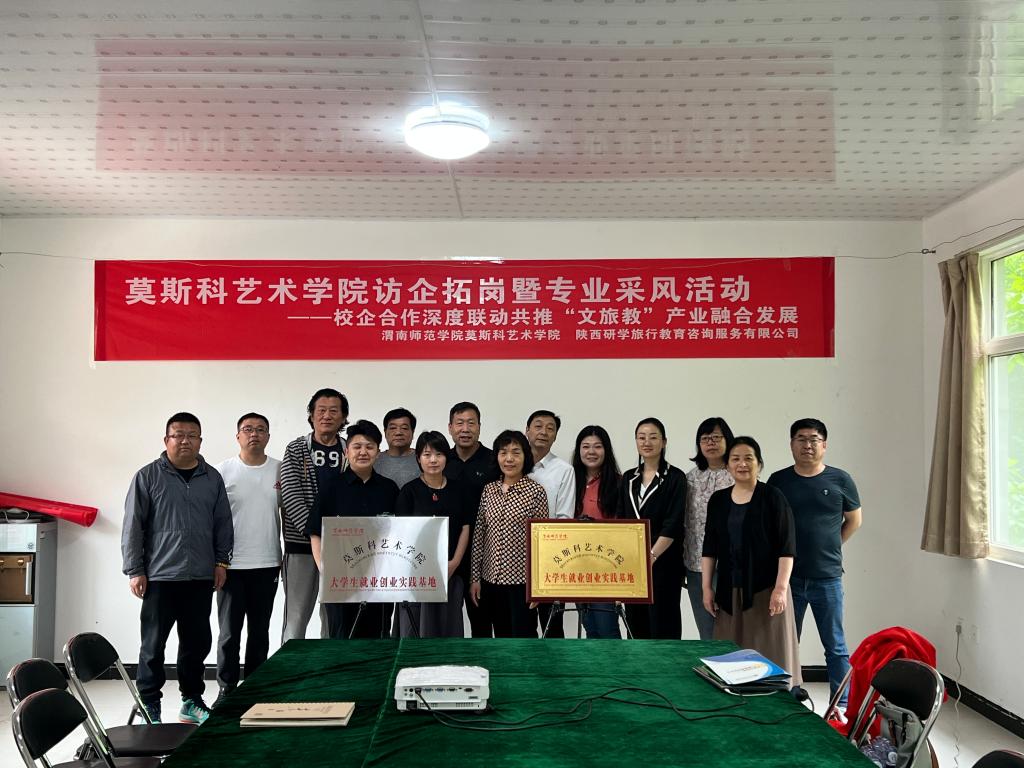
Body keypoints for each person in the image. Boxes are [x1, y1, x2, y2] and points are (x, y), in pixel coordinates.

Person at [121, 412, 232, 725]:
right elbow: (133, 526)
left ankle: (191, 701)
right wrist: (135, 569)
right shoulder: (148, 476)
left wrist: (221, 561)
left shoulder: (212, 478)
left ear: (200, 441)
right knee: (153, 645)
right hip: (160, 576)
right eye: (178, 435)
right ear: (166, 440)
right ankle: (149, 704)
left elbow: (223, 522)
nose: (185, 441)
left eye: (192, 435)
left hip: (200, 575)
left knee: (196, 642)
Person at [768, 418, 862, 710]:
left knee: (835, 645)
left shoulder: (840, 479)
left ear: (824, 445)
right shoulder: (779, 481)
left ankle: (840, 705)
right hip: (788, 580)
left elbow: (854, 520)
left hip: (827, 577)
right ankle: (787, 697)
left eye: (814, 439)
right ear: (791, 444)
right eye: (801, 439)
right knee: (786, 643)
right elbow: (769, 525)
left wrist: (831, 546)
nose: (807, 445)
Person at [702, 436, 801, 686]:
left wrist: (780, 589)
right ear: (727, 465)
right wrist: (706, 588)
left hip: (766, 589)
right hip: (728, 591)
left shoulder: (773, 497)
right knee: (730, 655)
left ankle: (776, 697)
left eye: (748, 458)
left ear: (759, 463)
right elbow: (709, 548)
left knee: (769, 651)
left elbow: (787, 548)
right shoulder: (718, 500)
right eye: (735, 459)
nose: (742, 464)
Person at [306, 419, 399, 639]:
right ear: (346, 452)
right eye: (357, 447)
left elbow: (398, 533)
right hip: (341, 581)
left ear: (378, 453)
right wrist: (325, 569)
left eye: (369, 447)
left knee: (378, 638)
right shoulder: (332, 488)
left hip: (380, 582)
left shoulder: (389, 489)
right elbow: (315, 532)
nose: (363, 452)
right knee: (342, 639)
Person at [212, 413, 281, 708]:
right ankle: (226, 688)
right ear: (238, 435)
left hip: (268, 562)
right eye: (248, 429)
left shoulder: (280, 470)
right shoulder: (222, 471)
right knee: (229, 632)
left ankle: (255, 686)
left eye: (261, 429)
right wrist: (217, 560)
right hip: (231, 565)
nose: (254, 434)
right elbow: (212, 519)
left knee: (260, 631)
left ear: (268, 436)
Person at [280, 387, 348, 642]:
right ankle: (289, 664)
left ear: (343, 417)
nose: (327, 416)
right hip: (300, 545)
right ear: (311, 414)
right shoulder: (296, 449)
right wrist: (314, 535)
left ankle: (328, 663)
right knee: (296, 616)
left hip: (341, 548)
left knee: (333, 616)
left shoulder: (349, 449)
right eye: (321, 410)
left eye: (334, 411)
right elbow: (291, 495)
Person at [468, 430, 549, 638]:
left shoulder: (536, 492)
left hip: (522, 583)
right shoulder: (489, 490)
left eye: (516, 452)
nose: (509, 459)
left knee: (524, 638)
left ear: (525, 457)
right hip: (490, 581)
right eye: (503, 452)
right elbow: (479, 536)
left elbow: (542, 543)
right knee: (500, 638)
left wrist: (538, 587)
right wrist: (475, 578)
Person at [394, 431, 471, 637]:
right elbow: (401, 534)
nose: (433, 460)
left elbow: (465, 527)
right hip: (416, 574)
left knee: (448, 627)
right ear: (418, 458)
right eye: (427, 455)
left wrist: (454, 563)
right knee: (415, 628)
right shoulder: (409, 491)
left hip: (450, 572)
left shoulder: (458, 490)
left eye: (439, 454)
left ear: (447, 457)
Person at [618, 417, 686, 640]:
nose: (647, 442)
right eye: (641, 437)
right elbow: (621, 520)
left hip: (664, 561)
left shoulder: (675, 477)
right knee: (635, 624)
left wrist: (652, 556)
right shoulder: (628, 478)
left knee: (663, 623)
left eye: (653, 437)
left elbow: (673, 523)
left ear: (664, 442)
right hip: (633, 563)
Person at [444, 401, 500, 638]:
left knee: (482, 619)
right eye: (459, 423)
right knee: (445, 620)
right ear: (450, 427)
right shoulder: (442, 460)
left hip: (484, 553)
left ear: (479, 427)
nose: (465, 429)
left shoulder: (493, 461)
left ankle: (484, 659)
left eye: (471, 423)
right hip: (448, 553)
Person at [683, 417, 735, 641]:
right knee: (707, 630)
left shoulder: (738, 475)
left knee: (733, 629)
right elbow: (684, 523)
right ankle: (711, 665)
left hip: (732, 566)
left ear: (727, 440)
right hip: (696, 565)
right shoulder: (689, 479)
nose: (710, 443)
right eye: (705, 439)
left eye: (716, 437)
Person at [525, 409, 575, 637]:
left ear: (555, 436)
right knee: (521, 628)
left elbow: (565, 519)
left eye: (550, 428)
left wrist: (550, 562)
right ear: (527, 430)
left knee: (552, 627)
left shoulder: (564, 471)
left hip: (550, 559)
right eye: (538, 426)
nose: (543, 432)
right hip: (516, 561)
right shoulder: (512, 465)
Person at [572, 425, 622, 639]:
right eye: (586, 446)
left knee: (607, 629)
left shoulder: (618, 483)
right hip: (576, 565)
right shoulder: (571, 480)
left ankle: (616, 664)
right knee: (590, 629)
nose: (591, 452)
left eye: (597, 446)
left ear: (606, 450)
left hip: (606, 567)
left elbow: (623, 529)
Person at [375, 407, 420, 489]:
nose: (398, 432)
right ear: (385, 432)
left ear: (413, 432)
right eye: (393, 428)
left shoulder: (423, 459)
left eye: (404, 428)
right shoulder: (374, 460)